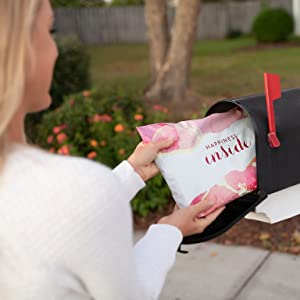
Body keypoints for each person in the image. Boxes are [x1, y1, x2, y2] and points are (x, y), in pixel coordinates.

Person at [0, 0, 225, 299]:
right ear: (17, 48)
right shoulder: (77, 186)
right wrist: (169, 230)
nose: (55, 49)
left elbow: (60, 219)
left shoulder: (35, 189)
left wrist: (130, 173)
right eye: (49, 30)